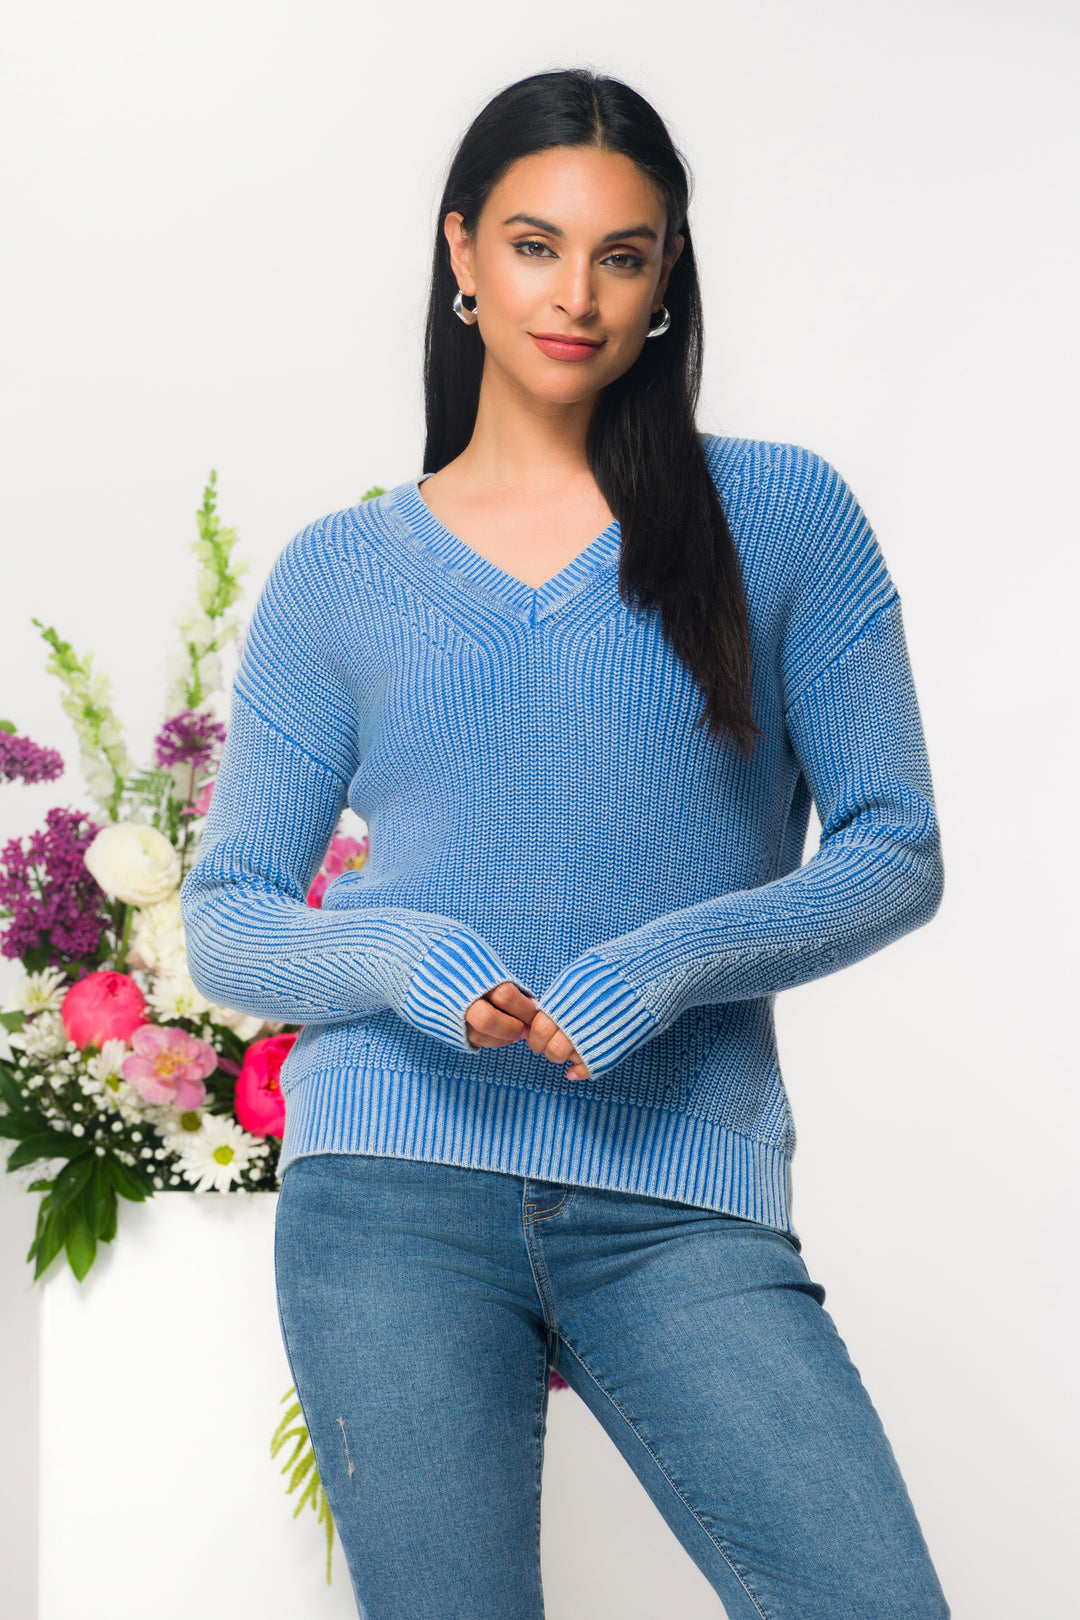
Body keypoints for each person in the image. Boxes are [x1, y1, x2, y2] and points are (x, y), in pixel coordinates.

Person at [180, 66, 951, 1620]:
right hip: (388, 1190)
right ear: (461, 255)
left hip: (677, 1188)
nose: (576, 295)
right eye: (535, 245)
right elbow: (229, 917)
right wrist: (413, 963)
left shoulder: (783, 518)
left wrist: (663, 966)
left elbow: (895, 844)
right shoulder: (342, 575)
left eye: (624, 253)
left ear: (668, 280)